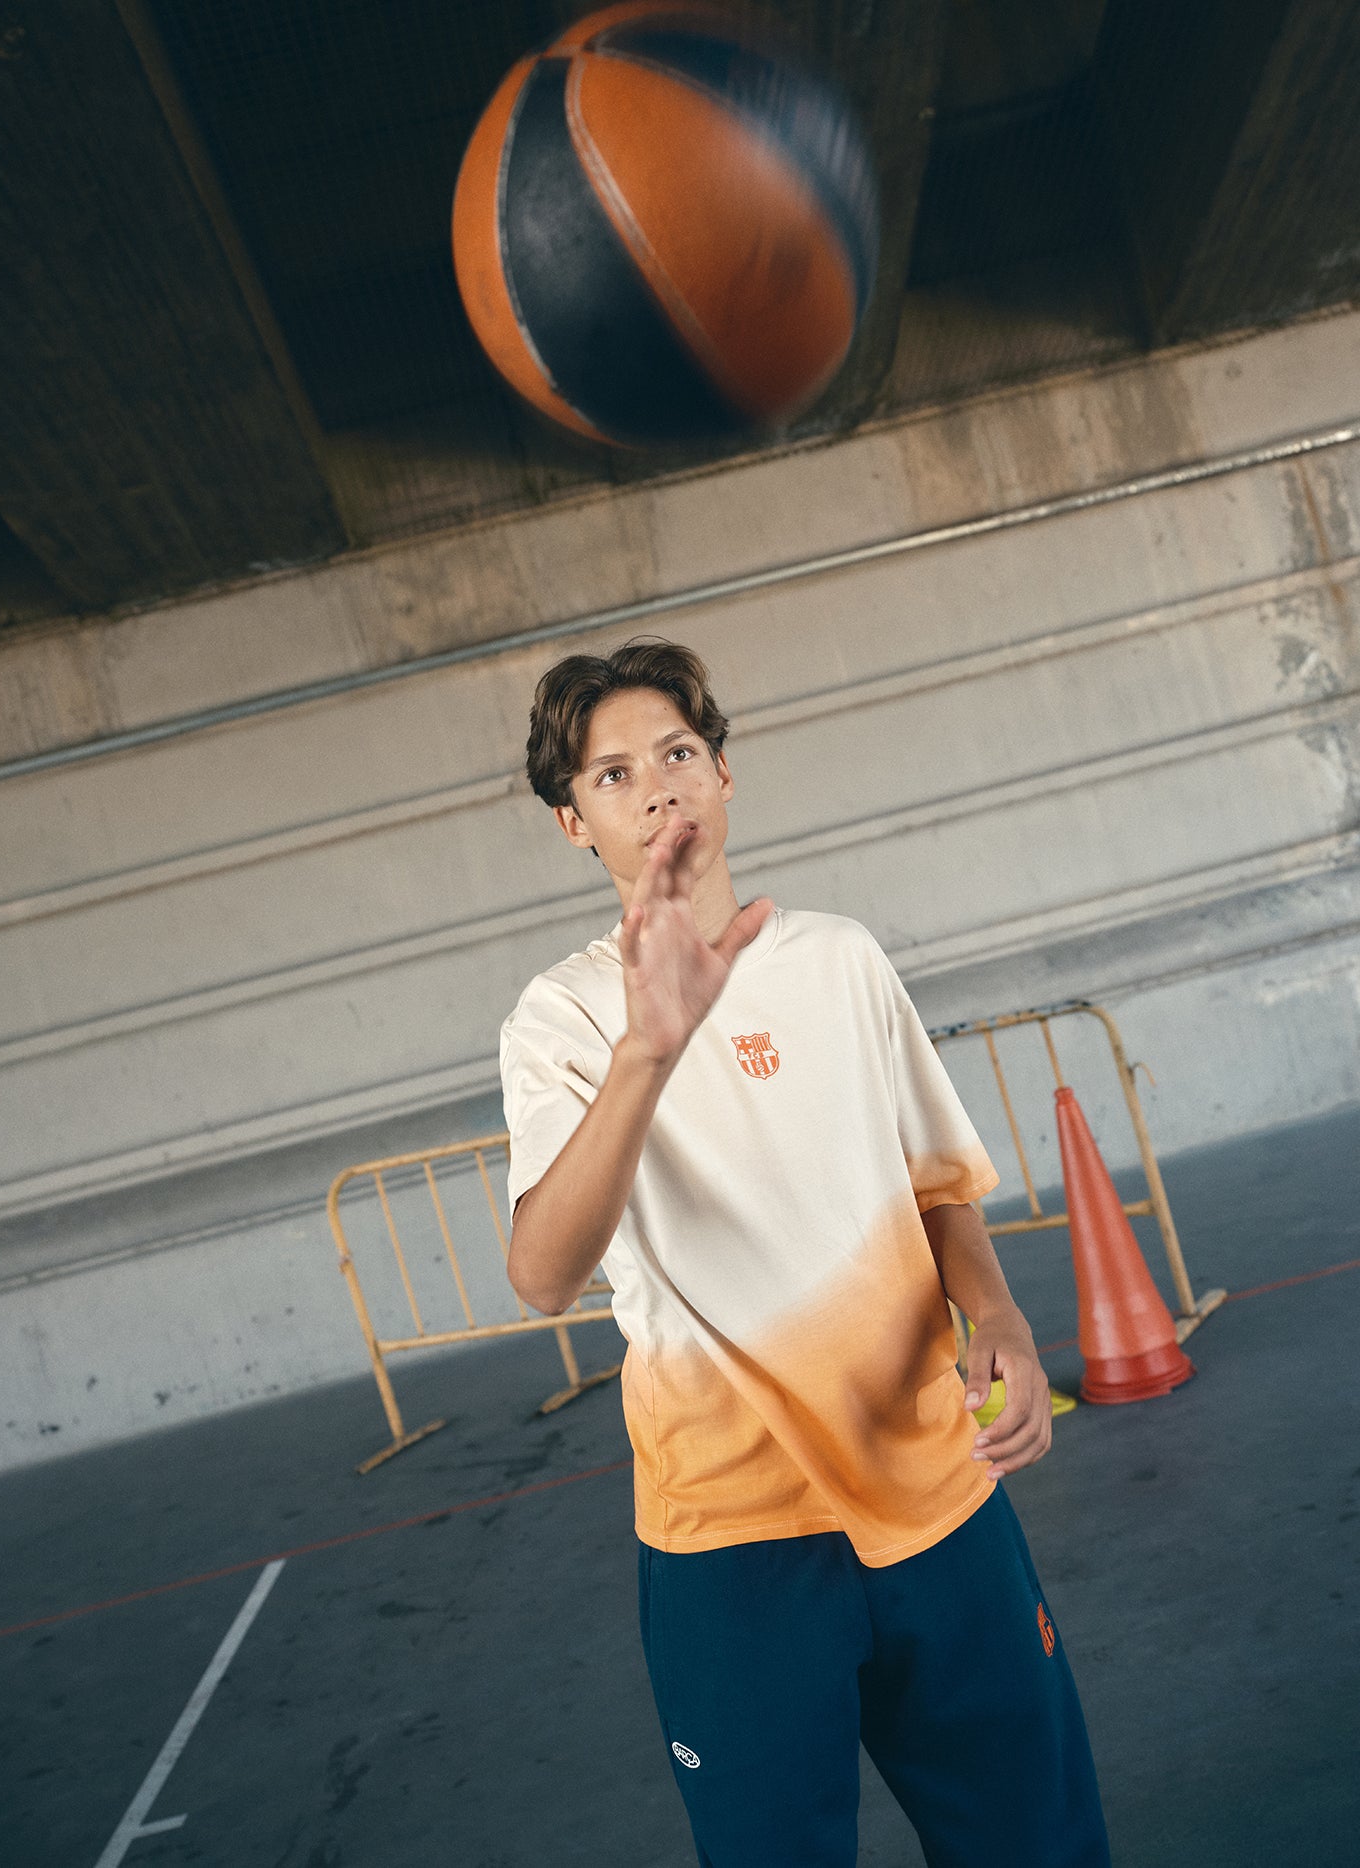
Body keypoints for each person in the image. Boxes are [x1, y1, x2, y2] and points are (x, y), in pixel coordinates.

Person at [499, 638, 1110, 1867]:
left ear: (724, 770)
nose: (657, 786)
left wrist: (996, 1315)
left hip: (937, 1485)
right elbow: (543, 1272)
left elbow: (935, 1186)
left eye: (676, 751)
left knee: (1035, 1839)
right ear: (574, 823)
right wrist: (648, 1048)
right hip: (732, 1535)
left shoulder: (837, 959)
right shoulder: (560, 1018)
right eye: (613, 774)